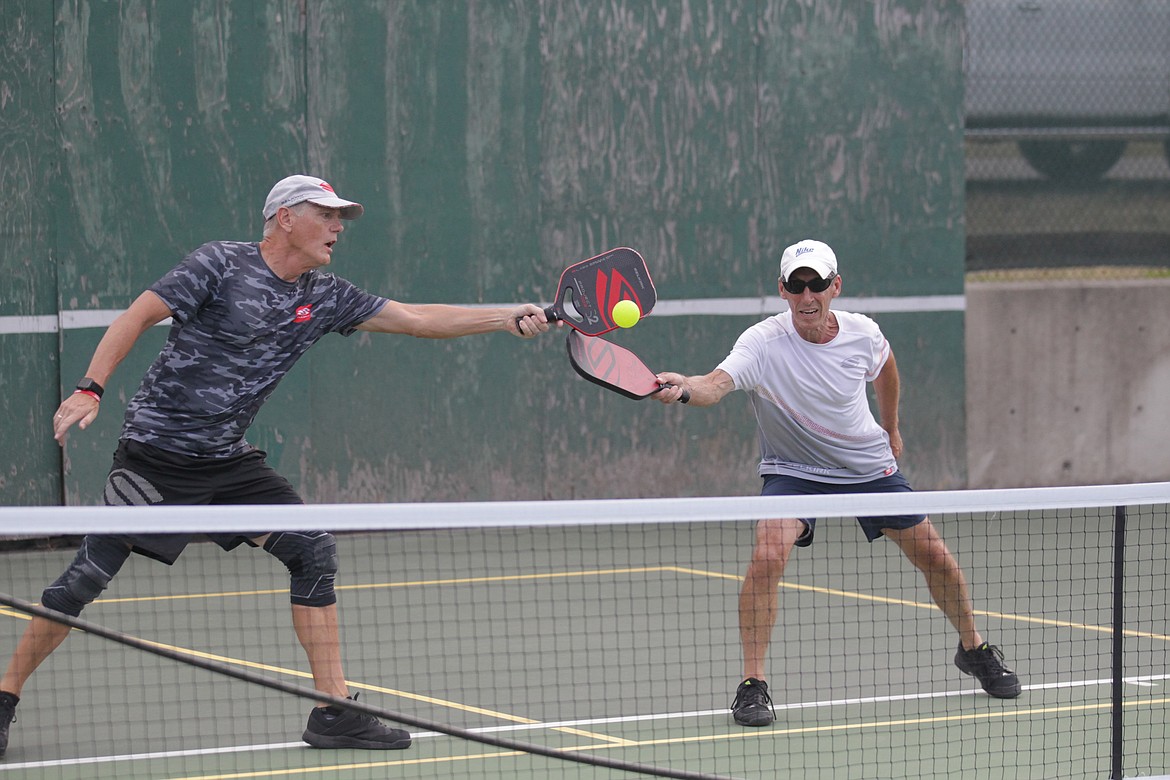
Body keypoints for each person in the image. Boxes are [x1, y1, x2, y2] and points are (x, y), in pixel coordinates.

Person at [0, 174, 552, 759]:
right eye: (327, 214)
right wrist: (91, 387)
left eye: (341, 217)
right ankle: (5, 695)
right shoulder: (218, 264)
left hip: (226, 464)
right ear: (286, 217)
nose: (338, 227)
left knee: (311, 548)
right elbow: (135, 316)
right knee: (84, 580)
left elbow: (416, 318)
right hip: (155, 459)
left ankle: (335, 712)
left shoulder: (326, 295)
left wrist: (503, 317)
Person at [652, 239, 1021, 727]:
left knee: (936, 558)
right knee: (767, 555)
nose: (808, 296)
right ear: (782, 290)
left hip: (866, 467)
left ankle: (973, 648)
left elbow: (886, 369)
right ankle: (752, 684)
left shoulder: (863, 334)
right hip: (793, 471)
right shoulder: (762, 342)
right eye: (798, 285)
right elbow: (714, 385)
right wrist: (684, 389)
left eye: (818, 284)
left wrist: (890, 427)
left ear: (835, 286)